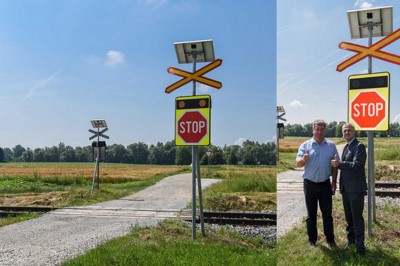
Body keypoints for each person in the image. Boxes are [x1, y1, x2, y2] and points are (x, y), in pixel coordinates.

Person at [296, 119, 339, 248]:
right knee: (311, 214)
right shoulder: (305, 145)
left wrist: (334, 182)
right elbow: (297, 163)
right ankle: (312, 240)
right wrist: (303, 159)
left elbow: (335, 165)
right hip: (309, 184)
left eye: (322, 129)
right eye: (317, 129)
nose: (319, 132)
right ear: (313, 130)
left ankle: (330, 239)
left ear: (325, 130)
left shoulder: (331, 146)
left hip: (325, 184)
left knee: (327, 214)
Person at [331, 123, 367, 256]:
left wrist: (339, 164)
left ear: (355, 132)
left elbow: (357, 165)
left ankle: (360, 248)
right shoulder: (346, 146)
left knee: (357, 218)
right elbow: (345, 166)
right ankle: (351, 241)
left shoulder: (359, 146)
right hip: (346, 189)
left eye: (349, 130)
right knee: (349, 218)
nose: (346, 132)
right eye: (344, 131)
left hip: (356, 189)